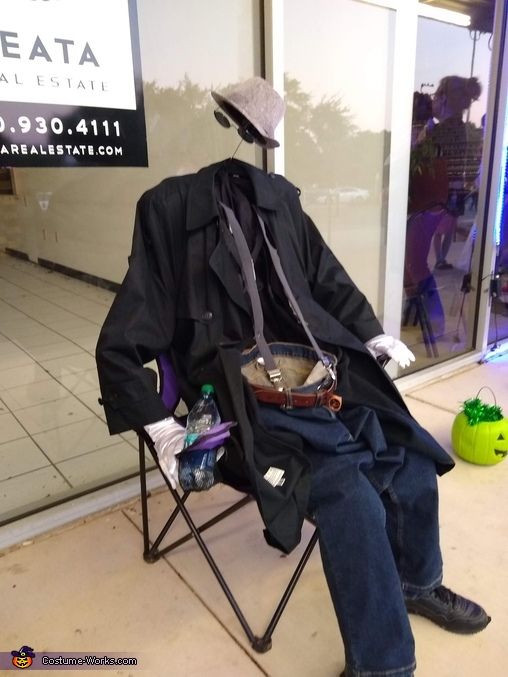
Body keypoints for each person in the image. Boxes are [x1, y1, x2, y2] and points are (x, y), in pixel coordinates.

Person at [96, 77, 490, 677]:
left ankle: (417, 582)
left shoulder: (279, 201)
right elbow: (122, 342)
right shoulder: (169, 211)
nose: (244, 146)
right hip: (237, 405)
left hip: (313, 374)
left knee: (409, 452)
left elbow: (326, 278)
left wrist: (371, 332)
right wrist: (161, 426)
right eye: (241, 129)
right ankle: (385, 666)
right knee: (351, 494)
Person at [422, 75, 483, 270]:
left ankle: (440, 258)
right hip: (454, 189)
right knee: (447, 227)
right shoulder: (463, 131)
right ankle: (441, 258)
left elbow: (425, 159)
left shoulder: (436, 130)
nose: (434, 100)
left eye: (437, 96)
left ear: (445, 99)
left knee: (438, 228)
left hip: (441, 189)